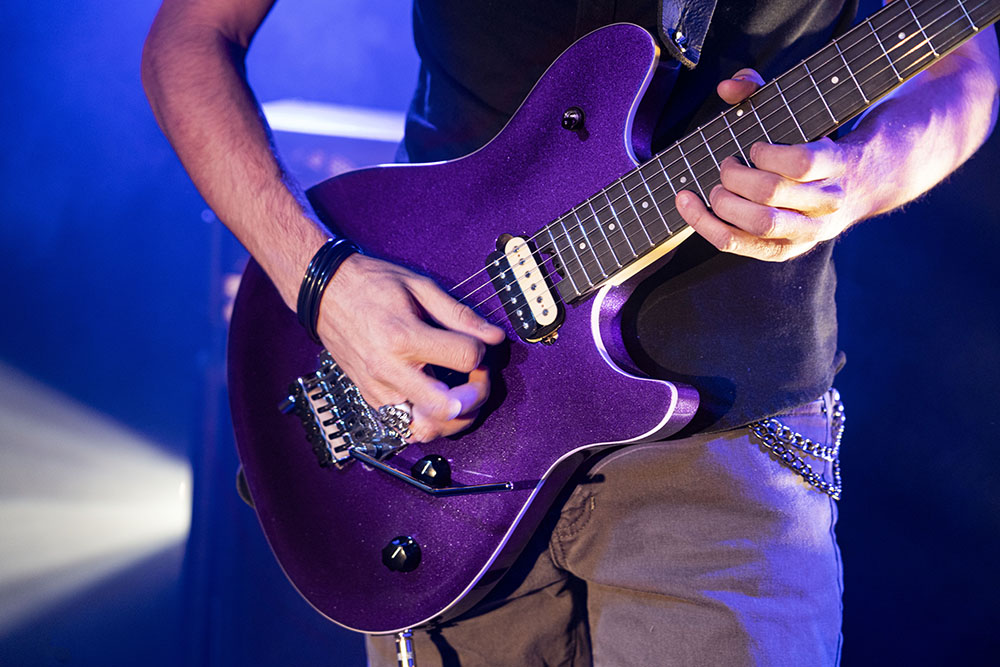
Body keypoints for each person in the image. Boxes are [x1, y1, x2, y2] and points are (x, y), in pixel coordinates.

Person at [142, 0, 999, 664]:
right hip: (443, 431)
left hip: (727, 438)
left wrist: (865, 175)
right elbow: (189, 39)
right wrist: (324, 281)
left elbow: (962, 58)